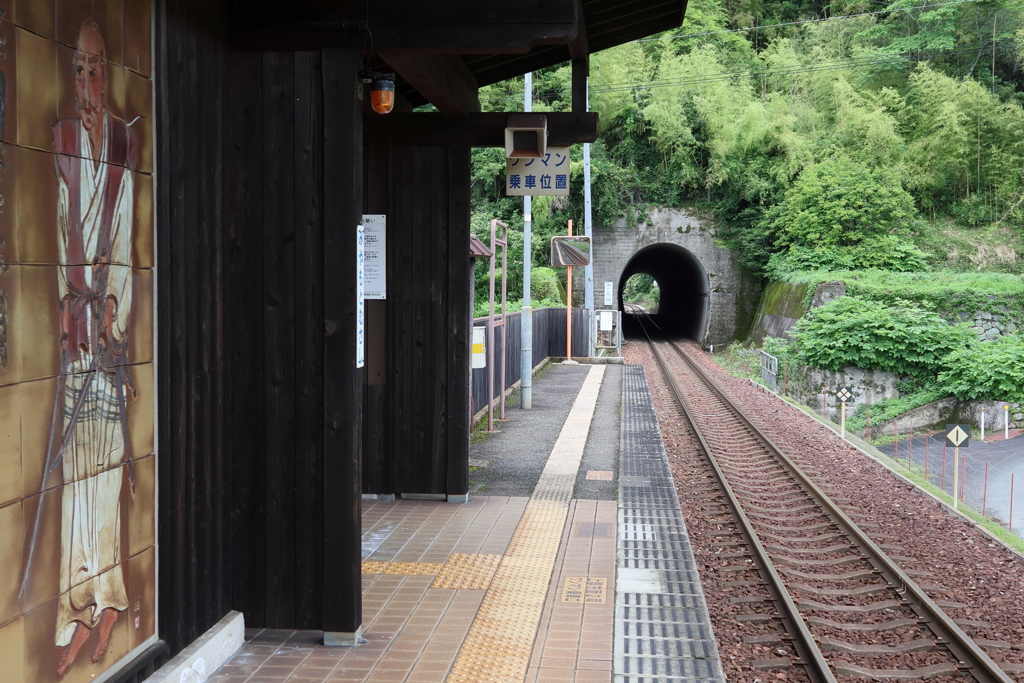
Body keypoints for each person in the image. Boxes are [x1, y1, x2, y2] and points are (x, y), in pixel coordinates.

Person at [51, 19, 137, 676]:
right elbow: (56, 238)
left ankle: (106, 598)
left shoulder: (122, 143)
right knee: (74, 471)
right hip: (74, 327)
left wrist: (114, 307)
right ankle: (77, 602)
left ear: (106, 69)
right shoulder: (58, 140)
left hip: (106, 332)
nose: (86, 81)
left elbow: (128, 240)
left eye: (95, 67)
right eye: (77, 68)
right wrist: (69, 304)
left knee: (105, 467)